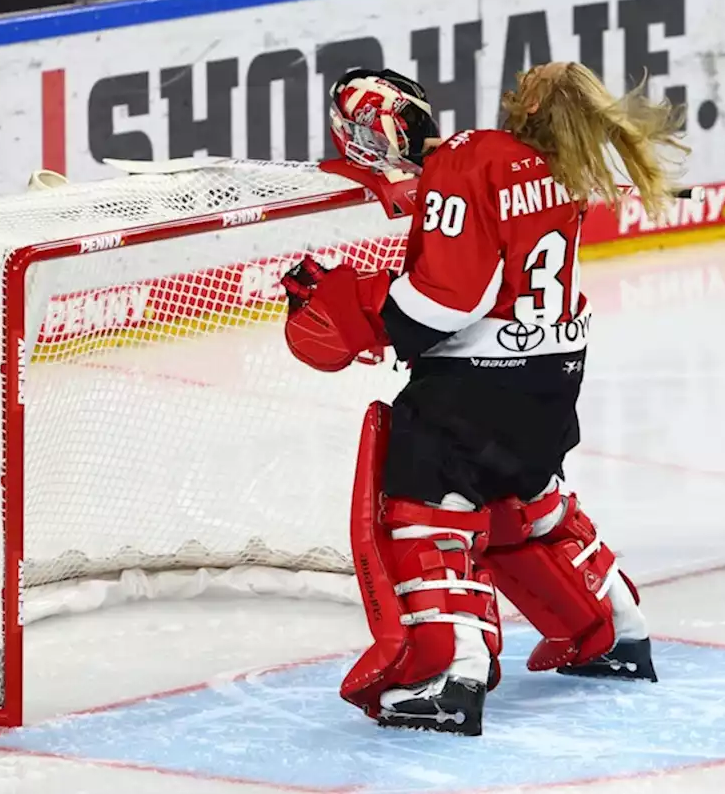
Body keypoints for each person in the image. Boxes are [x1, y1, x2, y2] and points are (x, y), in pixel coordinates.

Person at [281, 63, 688, 736]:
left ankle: (449, 677)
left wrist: (364, 311)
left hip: (478, 379)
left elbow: (449, 298)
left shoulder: (472, 158)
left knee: (424, 510)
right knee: (524, 502)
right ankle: (615, 629)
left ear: (524, 105)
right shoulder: (560, 168)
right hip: (554, 369)